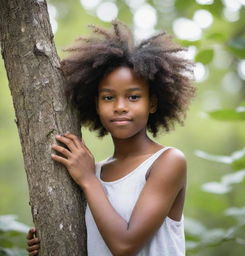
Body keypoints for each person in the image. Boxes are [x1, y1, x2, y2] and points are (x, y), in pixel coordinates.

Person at [26, 20, 196, 256]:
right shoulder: (92, 172)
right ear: (95, 104)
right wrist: (50, 242)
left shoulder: (167, 161)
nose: (120, 107)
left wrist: (87, 179)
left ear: (153, 103)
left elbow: (125, 246)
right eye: (108, 98)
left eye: (133, 97)